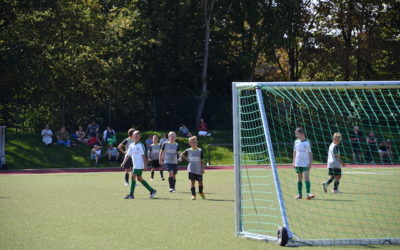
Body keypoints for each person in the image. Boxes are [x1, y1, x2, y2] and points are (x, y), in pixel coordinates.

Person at [121, 130, 157, 199]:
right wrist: (123, 162)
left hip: (139, 165)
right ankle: (152, 190)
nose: (136, 137)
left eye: (137, 136)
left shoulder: (141, 145)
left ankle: (131, 194)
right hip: (135, 165)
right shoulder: (131, 145)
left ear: (140, 137)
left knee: (132, 177)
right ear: (132, 137)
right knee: (139, 179)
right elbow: (128, 155)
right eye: (135, 136)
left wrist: (145, 165)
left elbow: (144, 156)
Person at [179, 136, 206, 200]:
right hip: (191, 169)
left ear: (197, 142)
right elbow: (181, 154)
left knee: (200, 182)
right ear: (190, 143)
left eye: (195, 142)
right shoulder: (188, 150)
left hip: (198, 169)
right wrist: (185, 159)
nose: (194, 143)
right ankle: (193, 195)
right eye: (192, 142)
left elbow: (202, 161)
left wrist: (202, 169)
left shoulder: (200, 150)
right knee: (192, 182)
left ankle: (201, 192)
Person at [292, 128, 314, 200]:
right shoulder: (296, 142)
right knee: (299, 178)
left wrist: (310, 163)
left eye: (297, 134)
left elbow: (310, 153)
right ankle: (299, 194)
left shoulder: (308, 142)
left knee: (306, 177)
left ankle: (308, 194)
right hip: (298, 163)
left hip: (305, 163)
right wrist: (294, 161)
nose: (296, 135)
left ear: (302, 134)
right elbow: (295, 152)